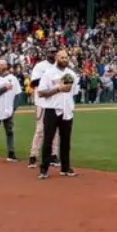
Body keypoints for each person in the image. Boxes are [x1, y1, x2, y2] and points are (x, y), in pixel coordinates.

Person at [36, 49, 79, 179]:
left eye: (66, 58)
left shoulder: (71, 74)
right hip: (52, 109)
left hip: (67, 110)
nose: (64, 60)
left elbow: (74, 92)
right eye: (62, 57)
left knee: (66, 141)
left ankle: (65, 168)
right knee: (48, 140)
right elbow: (41, 92)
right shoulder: (48, 73)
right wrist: (58, 89)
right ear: (56, 58)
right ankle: (44, 169)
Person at [27, 49, 57, 168]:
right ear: (47, 54)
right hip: (42, 102)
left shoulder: (59, 68)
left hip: (55, 102)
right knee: (40, 130)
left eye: (55, 53)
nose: (53, 54)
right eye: (51, 52)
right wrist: (49, 79)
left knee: (56, 131)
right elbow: (33, 83)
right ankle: (33, 156)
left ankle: (54, 155)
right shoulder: (40, 66)